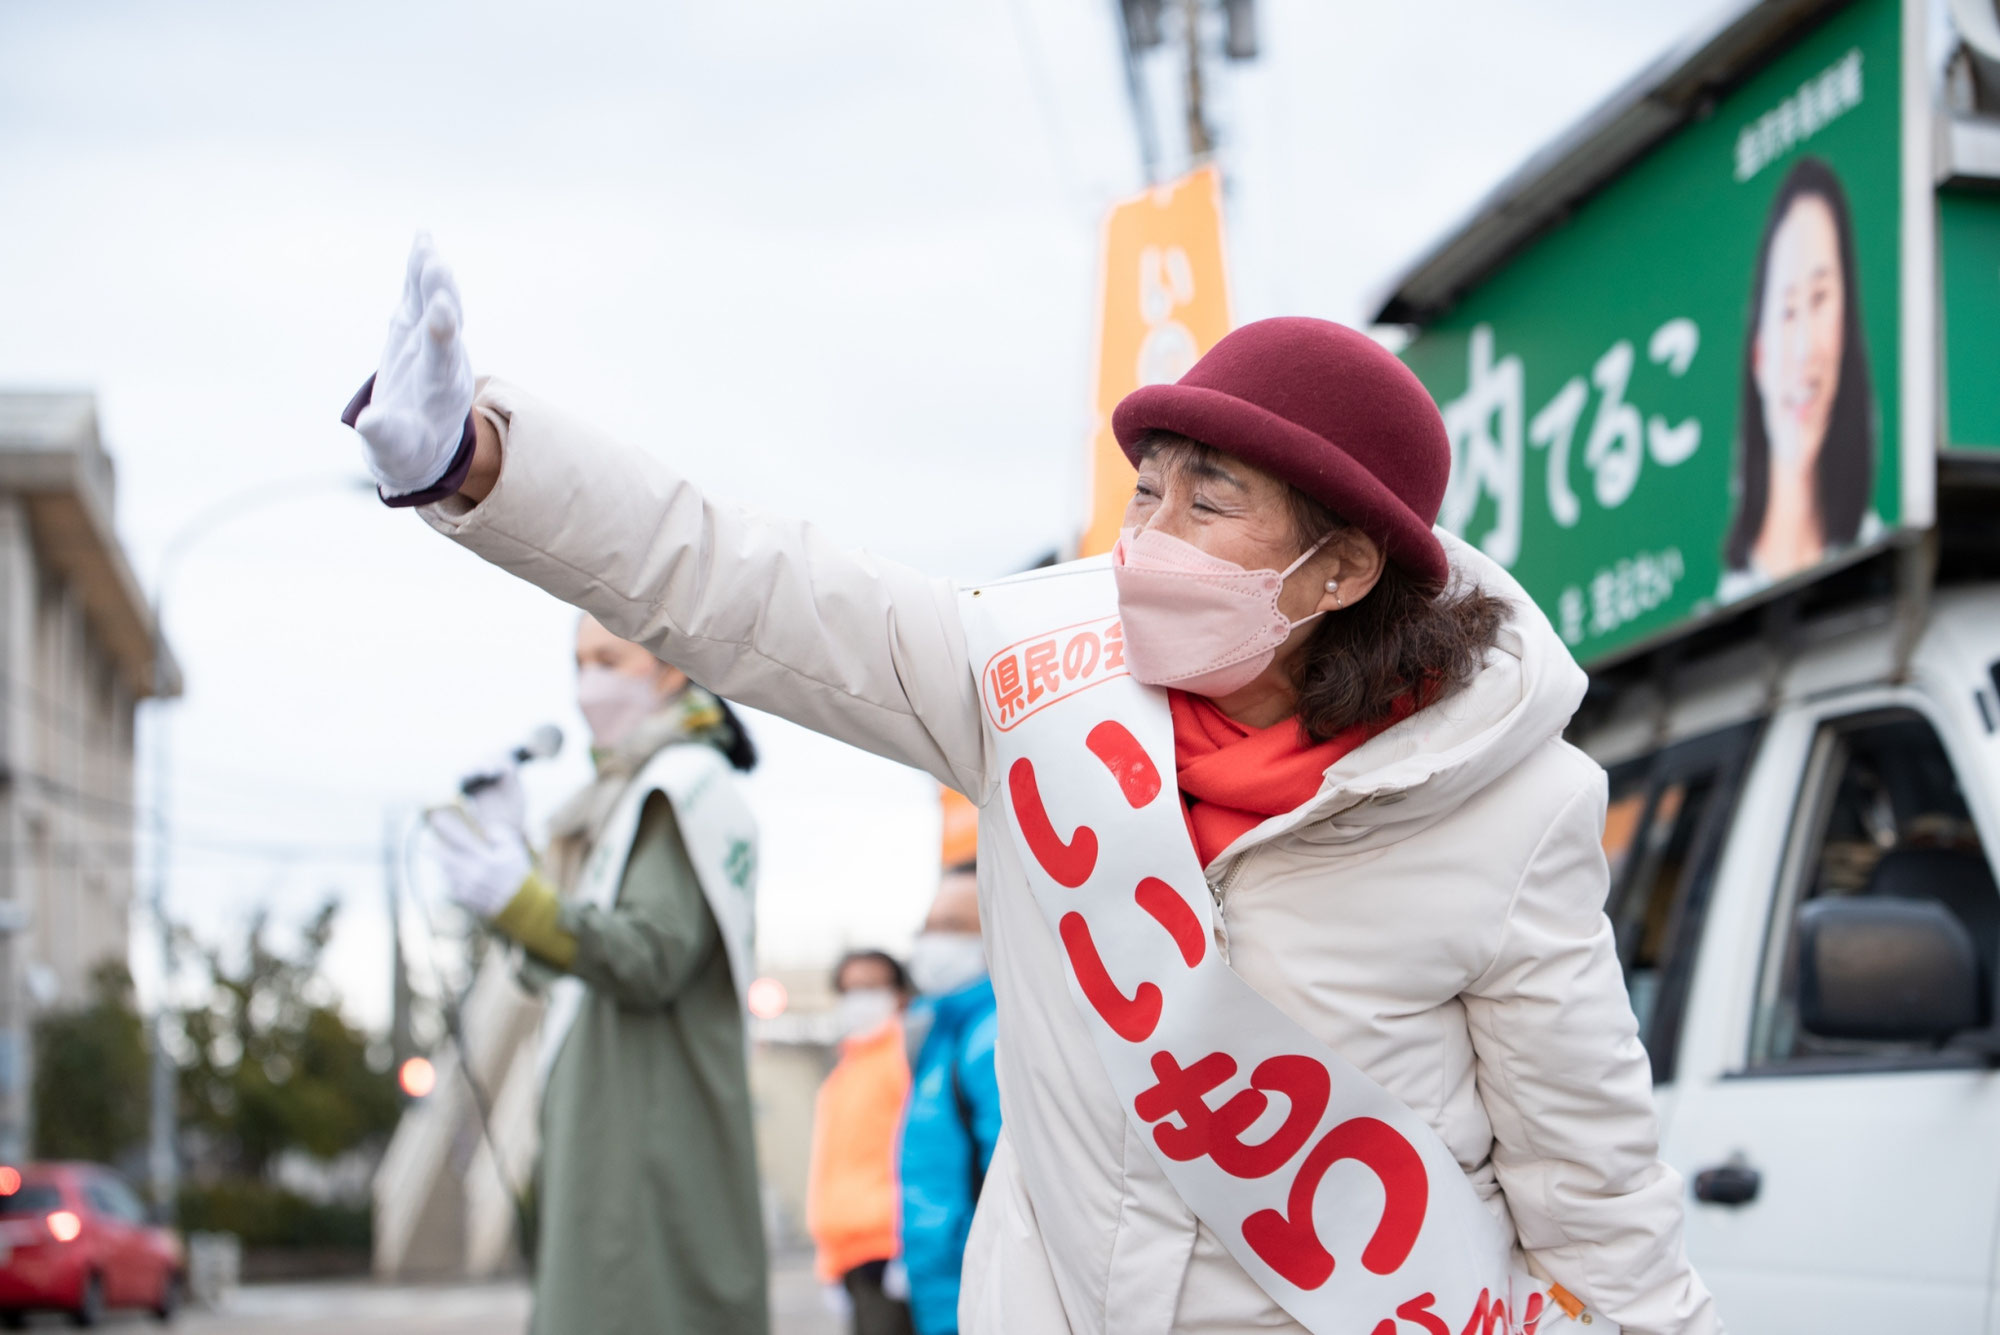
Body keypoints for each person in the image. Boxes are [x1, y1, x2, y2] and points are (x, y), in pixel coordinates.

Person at [347, 237, 1718, 1334]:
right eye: (1147, 489)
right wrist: (483, 460)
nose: (1146, 540)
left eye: (1208, 498)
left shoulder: (1511, 805)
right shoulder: (1040, 690)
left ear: (1345, 567)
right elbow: (747, 583)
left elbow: (1592, 1187)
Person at [426, 612, 767, 1335]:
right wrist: (513, 869)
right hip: (617, 1137)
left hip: (646, 1148)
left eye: (609, 658)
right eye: (580, 661)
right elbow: (563, 971)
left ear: (672, 667)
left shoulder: (682, 791)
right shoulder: (624, 798)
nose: (589, 683)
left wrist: (519, 897)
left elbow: (646, 957)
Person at [1720, 154, 1880, 603]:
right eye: (1787, 310)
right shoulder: (1725, 598)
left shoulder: (1871, 543)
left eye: (1821, 298)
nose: (1806, 348)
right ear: (1757, 352)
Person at [898, 868, 1000, 1335]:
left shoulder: (995, 1034)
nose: (934, 942)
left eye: (955, 926)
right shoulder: (942, 1033)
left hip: (987, 1296)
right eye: (929, 927)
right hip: (945, 1295)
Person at [808, 950, 914, 1335]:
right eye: (849, 989)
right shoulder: (845, 1072)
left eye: (871, 987)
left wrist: (912, 1247)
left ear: (899, 994)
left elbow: (924, 1156)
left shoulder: (908, 1057)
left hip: (891, 1248)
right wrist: (829, 1260)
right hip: (852, 1254)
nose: (859, 999)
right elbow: (831, 1172)